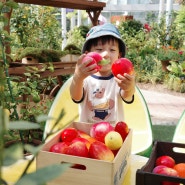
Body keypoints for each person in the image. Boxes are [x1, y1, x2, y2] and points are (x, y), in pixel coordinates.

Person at [70, 23, 135, 125]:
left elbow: (127, 96)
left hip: (114, 136)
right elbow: (76, 96)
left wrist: (129, 87)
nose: (106, 54)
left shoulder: (119, 78)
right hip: (88, 133)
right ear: (87, 54)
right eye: (99, 49)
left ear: (119, 55)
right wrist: (78, 78)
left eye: (112, 50)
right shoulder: (85, 79)